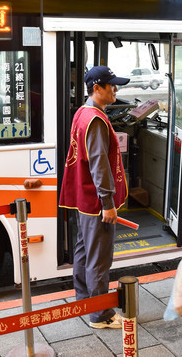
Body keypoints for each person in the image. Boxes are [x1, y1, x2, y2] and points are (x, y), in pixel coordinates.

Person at [59, 66, 129, 329]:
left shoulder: (82, 113)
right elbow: (99, 164)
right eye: (111, 85)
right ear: (96, 88)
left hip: (83, 198)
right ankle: (100, 315)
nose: (116, 90)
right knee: (99, 259)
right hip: (97, 202)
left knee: (83, 252)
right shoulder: (96, 120)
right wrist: (108, 204)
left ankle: (83, 301)